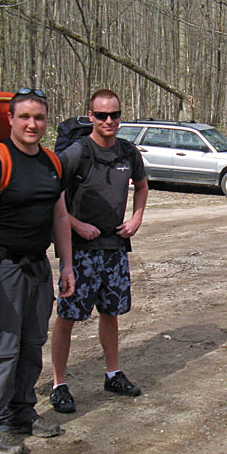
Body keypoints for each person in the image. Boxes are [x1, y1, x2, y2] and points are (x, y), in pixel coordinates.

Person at [0, 87, 76, 454]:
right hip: (0, 270)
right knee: (0, 351)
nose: (32, 124)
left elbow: (59, 216)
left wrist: (67, 265)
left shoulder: (51, 162)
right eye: (24, 117)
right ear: (10, 119)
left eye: (39, 117)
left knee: (31, 346)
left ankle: (22, 412)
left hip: (37, 268)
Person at [49, 89, 148, 413]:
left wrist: (136, 217)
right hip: (79, 251)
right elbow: (53, 195)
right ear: (90, 116)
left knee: (111, 312)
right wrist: (76, 225)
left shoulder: (127, 152)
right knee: (68, 316)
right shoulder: (77, 152)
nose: (109, 121)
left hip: (114, 247)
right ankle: (59, 383)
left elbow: (142, 184)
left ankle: (112, 373)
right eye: (102, 115)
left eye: (114, 115)